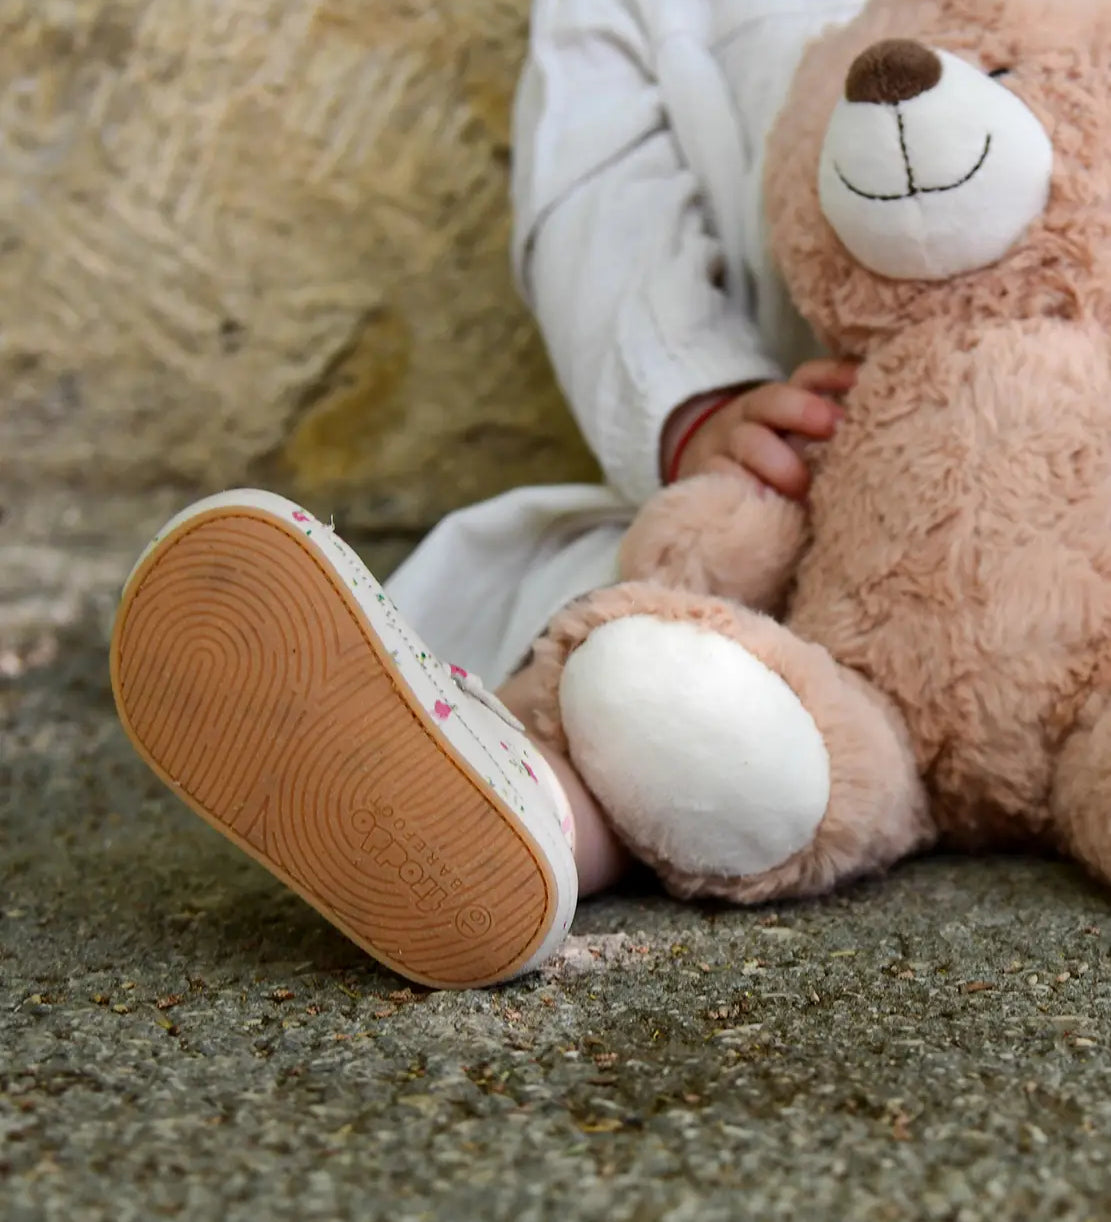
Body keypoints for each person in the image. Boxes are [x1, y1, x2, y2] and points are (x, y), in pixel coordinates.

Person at [110, 0, 864, 992]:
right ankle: (507, 811)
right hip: (781, 511)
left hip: (1064, 537)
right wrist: (698, 399)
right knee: (637, 676)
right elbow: (596, 198)